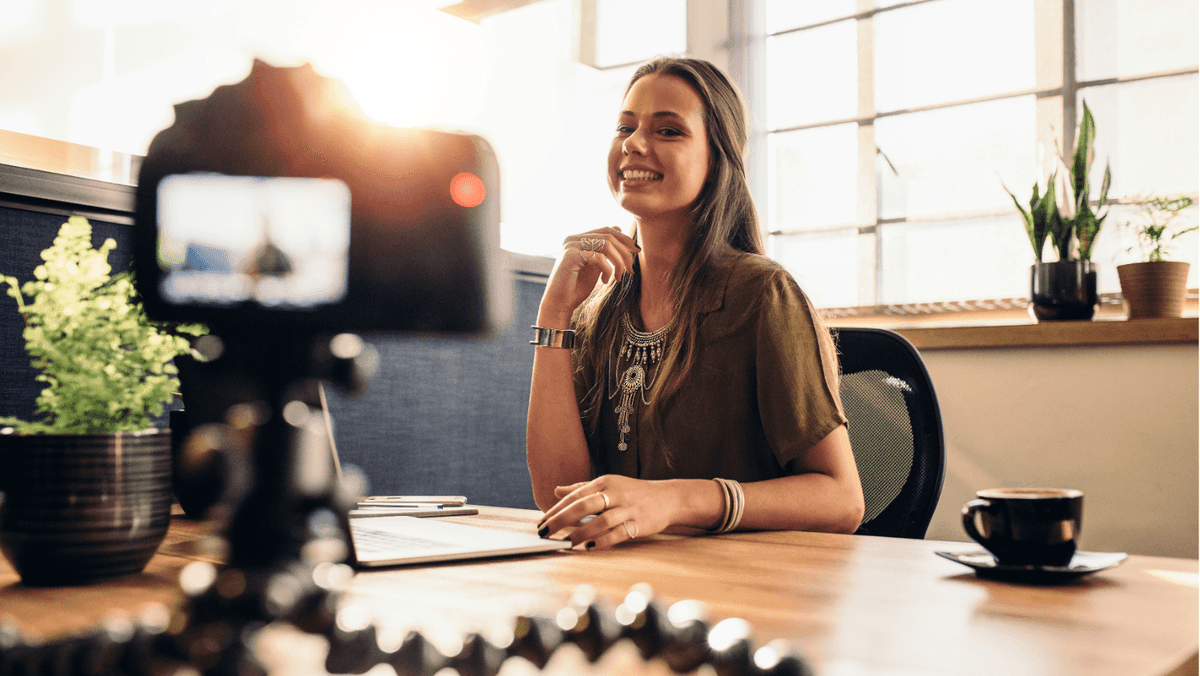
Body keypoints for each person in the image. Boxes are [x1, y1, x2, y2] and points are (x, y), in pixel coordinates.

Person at [526, 56, 864, 550]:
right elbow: (556, 494)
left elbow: (842, 499)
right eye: (625, 126)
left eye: (668, 131)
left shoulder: (762, 295)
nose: (634, 144)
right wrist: (554, 314)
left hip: (748, 592)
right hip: (630, 589)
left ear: (717, 158)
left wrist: (675, 501)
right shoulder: (597, 312)